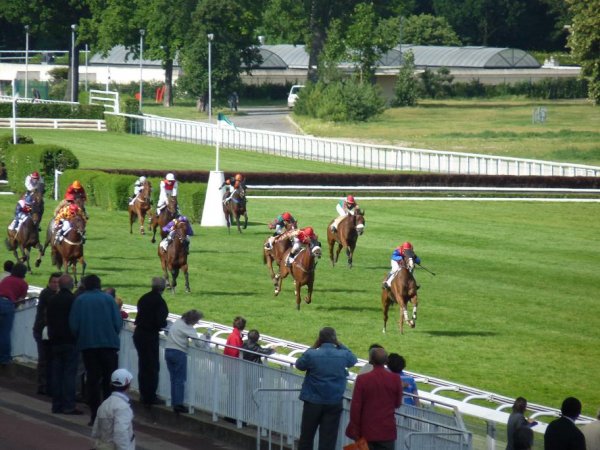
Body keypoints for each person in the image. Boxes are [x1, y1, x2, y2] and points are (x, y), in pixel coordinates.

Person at [69, 274, 122, 426]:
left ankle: (94, 415)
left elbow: (74, 325)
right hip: (109, 345)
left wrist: (82, 337)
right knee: (109, 381)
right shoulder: (108, 299)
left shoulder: (80, 300)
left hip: (88, 345)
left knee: (92, 380)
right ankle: (108, 415)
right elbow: (117, 323)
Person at [295, 327, 357, 450]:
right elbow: (353, 359)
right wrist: (339, 344)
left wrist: (313, 346)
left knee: (306, 437)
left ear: (319, 339)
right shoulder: (343, 354)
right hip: (333, 402)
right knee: (328, 441)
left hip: (312, 402)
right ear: (334, 340)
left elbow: (299, 365)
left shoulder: (312, 354)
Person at [346, 347, 403, 450]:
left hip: (366, 432)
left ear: (371, 360)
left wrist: (355, 430)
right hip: (387, 431)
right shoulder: (395, 379)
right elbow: (398, 403)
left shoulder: (362, 379)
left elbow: (356, 407)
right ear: (386, 361)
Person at [47, 274, 82, 415]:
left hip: (55, 340)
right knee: (69, 374)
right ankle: (68, 405)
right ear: (71, 285)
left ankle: (56, 405)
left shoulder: (52, 299)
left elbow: (48, 318)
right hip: (69, 341)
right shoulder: (73, 300)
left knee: (57, 373)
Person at [133, 277, 169, 407]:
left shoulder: (143, 298)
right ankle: (150, 396)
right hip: (149, 335)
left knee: (143, 365)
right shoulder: (159, 302)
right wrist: (165, 324)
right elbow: (160, 321)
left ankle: (144, 394)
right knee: (152, 366)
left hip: (139, 333)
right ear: (163, 288)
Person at [165, 309, 203, 413]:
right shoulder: (189, 328)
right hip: (179, 353)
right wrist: (205, 337)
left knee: (173, 379)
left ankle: (174, 402)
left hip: (168, 351)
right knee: (179, 380)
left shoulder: (178, 322)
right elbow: (199, 344)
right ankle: (178, 404)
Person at [92, 368, 136, 450]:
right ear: (128, 386)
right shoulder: (123, 407)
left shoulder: (104, 404)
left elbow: (96, 431)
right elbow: (121, 433)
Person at [32, 272, 61, 396]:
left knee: (50, 359)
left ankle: (47, 385)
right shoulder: (47, 294)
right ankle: (43, 385)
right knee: (44, 359)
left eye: (57, 283)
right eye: (53, 282)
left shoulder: (51, 294)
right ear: (49, 283)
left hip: (48, 331)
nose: (55, 284)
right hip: (41, 331)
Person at [0, 263, 28, 365]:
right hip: (7, 305)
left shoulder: (6, 279)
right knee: (4, 333)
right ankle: (4, 358)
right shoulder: (23, 284)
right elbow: (20, 301)